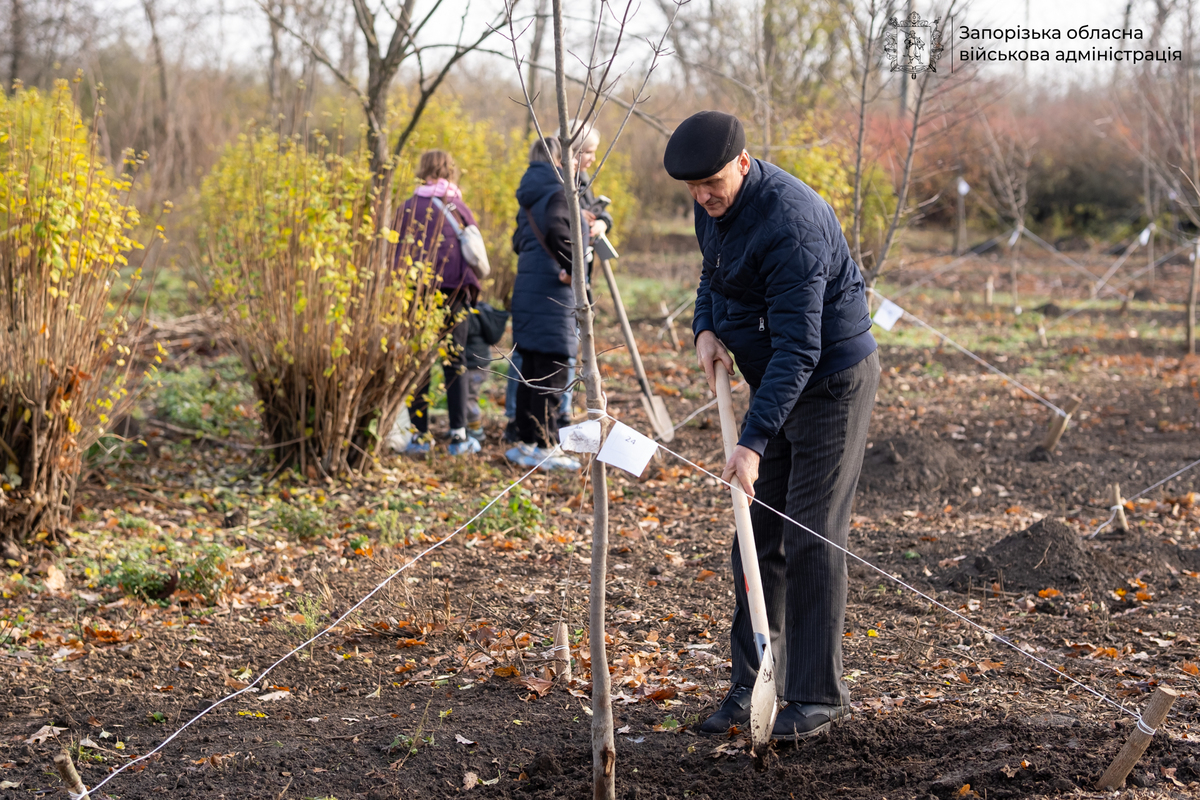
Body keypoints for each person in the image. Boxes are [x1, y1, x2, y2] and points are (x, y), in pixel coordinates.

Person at [664, 111, 879, 740]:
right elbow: (713, 273)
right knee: (754, 533)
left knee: (812, 533)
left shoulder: (791, 221)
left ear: (743, 161)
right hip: (777, 379)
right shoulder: (712, 206)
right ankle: (752, 684)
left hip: (830, 382)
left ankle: (816, 695)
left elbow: (800, 348)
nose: (703, 198)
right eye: (693, 188)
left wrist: (753, 441)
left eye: (712, 183)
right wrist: (706, 327)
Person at [505, 136, 589, 471]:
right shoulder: (557, 191)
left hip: (527, 289)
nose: (575, 163)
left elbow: (517, 241)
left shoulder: (530, 192)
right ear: (558, 159)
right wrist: (574, 269)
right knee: (552, 371)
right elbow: (557, 229)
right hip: (552, 294)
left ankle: (527, 442)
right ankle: (546, 446)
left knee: (531, 368)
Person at [394, 149, 484, 457]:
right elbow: (474, 253)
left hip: (416, 294)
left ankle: (419, 435)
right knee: (455, 361)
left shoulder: (408, 207)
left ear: (423, 171)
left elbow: (394, 253)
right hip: (454, 295)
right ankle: (459, 434)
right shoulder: (457, 207)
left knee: (419, 362)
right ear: (449, 171)